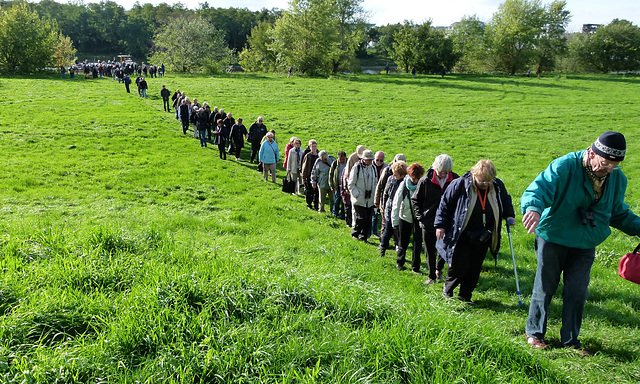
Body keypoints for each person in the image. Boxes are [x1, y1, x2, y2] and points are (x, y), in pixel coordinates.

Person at [521, 131, 640, 354]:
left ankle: (571, 341)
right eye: (604, 163)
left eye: (613, 166)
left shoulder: (616, 178)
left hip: (585, 241)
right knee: (545, 288)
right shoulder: (565, 166)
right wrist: (534, 209)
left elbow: (618, 213)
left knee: (577, 292)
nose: (607, 169)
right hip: (554, 236)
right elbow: (539, 189)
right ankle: (535, 333)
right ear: (592, 153)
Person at [435, 160, 515, 304]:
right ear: (474, 175)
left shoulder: (497, 185)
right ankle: (448, 291)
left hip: (484, 234)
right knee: (459, 265)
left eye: (488, 181)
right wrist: (440, 225)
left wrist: (509, 215)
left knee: (474, 268)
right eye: (482, 180)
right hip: (462, 234)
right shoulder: (460, 184)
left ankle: (465, 296)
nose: (485, 184)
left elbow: (505, 199)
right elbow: (444, 204)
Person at [412, 154, 459, 284]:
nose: (443, 175)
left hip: (447, 222)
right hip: (428, 222)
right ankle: (431, 275)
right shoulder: (425, 181)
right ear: (435, 168)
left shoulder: (455, 180)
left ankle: (439, 269)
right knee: (429, 250)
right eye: (441, 172)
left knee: (444, 248)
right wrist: (421, 217)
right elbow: (416, 200)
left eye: (446, 172)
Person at [392, 163, 425, 273]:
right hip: (404, 217)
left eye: (418, 178)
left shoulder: (424, 186)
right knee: (403, 242)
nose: (415, 181)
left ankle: (415, 267)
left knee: (417, 244)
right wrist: (395, 221)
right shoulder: (403, 186)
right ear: (409, 175)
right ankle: (400, 263)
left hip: (418, 219)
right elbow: (396, 204)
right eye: (414, 178)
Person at [379, 161, 407, 257]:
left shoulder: (405, 183)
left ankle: (400, 251)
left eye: (396, 174)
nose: (394, 175)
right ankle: (382, 248)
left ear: (402, 175)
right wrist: (383, 205)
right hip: (390, 208)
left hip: (401, 210)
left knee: (400, 233)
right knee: (388, 231)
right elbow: (385, 193)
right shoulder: (390, 179)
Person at [349, 150, 378, 242]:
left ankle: (364, 237)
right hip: (359, 199)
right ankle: (355, 234)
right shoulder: (356, 168)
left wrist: (374, 195)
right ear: (363, 159)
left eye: (371, 159)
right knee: (361, 218)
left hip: (369, 199)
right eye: (368, 159)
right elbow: (351, 184)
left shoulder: (373, 168)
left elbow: (375, 183)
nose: (370, 161)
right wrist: (356, 194)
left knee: (368, 219)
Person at [371, 151, 387, 237]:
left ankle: (374, 230)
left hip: (380, 193)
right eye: (377, 160)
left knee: (376, 214)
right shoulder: (370, 165)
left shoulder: (386, 167)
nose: (379, 162)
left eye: (381, 160)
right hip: (370, 191)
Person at [301, 140, 320, 210]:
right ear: (310, 147)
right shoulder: (308, 156)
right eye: (312, 146)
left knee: (317, 192)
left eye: (315, 146)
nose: (314, 148)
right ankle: (309, 204)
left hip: (317, 176)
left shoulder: (319, 155)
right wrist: (304, 177)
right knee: (309, 191)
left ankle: (316, 205)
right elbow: (304, 167)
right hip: (309, 176)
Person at [329, 151, 347, 219]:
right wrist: (331, 186)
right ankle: (335, 213)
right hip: (337, 185)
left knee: (344, 201)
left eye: (343, 159)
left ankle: (342, 214)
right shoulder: (335, 164)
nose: (342, 161)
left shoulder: (348, 163)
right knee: (337, 200)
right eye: (340, 159)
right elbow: (331, 175)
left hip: (345, 186)